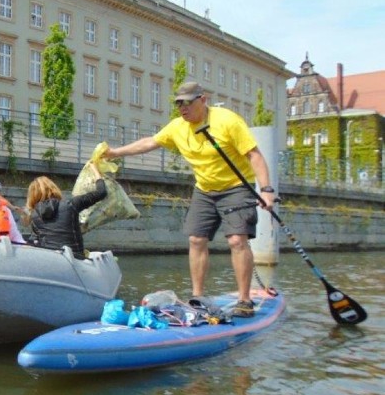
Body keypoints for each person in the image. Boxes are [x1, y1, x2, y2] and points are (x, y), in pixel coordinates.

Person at [102, 81, 276, 317]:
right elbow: (149, 143)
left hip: (236, 187)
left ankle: (244, 300)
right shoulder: (177, 127)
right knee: (196, 239)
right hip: (204, 189)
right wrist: (114, 152)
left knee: (237, 241)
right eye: (178, 104)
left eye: (187, 103)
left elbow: (254, 155)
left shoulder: (227, 121)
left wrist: (266, 189)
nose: (182, 108)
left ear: (203, 100)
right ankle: (197, 297)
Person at [26, 162, 107, 254]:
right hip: (76, 260)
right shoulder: (71, 205)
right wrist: (95, 170)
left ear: (32, 196)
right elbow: (101, 192)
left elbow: (35, 241)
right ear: (54, 188)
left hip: (52, 261)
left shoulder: (34, 216)